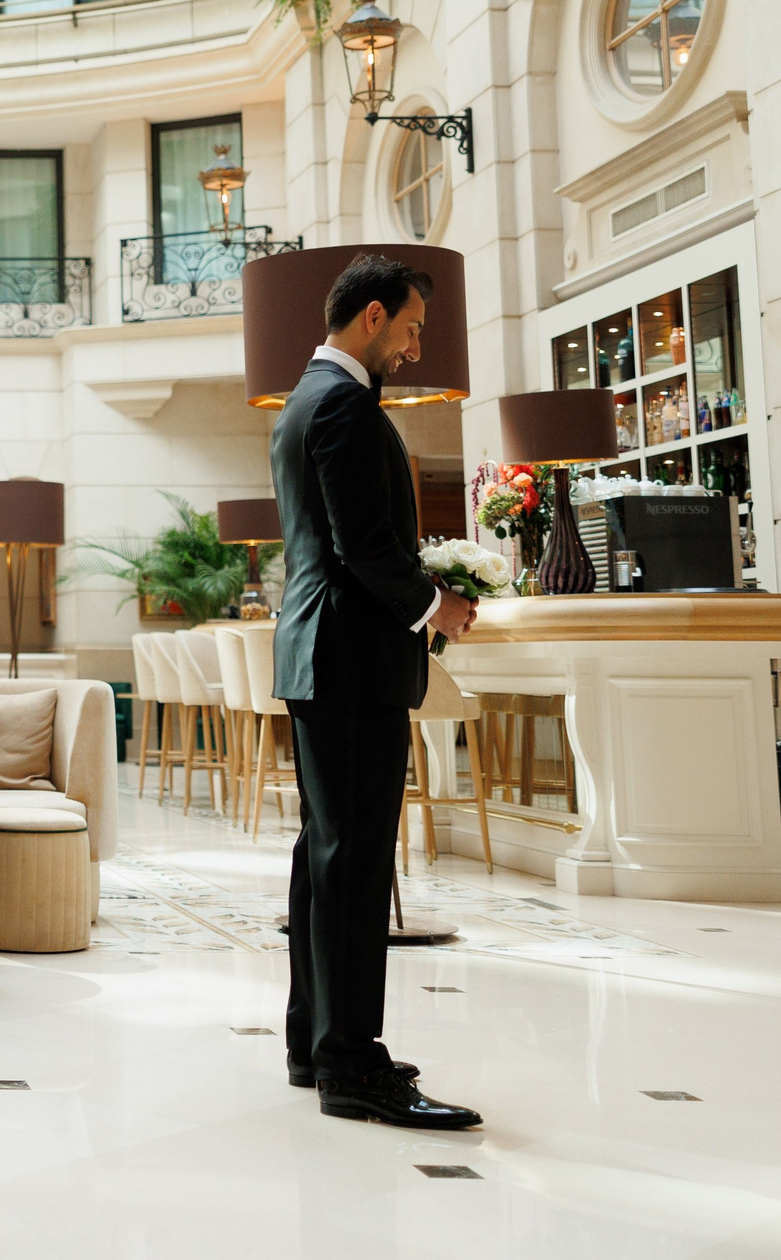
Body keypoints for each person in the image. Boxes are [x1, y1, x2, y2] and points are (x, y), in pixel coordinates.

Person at [270, 255, 481, 1129]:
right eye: (411, 326)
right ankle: (353, 1064)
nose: (416, 346)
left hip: (324, 657)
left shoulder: (305, 399)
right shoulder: (344, 405)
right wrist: (438, 604)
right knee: (354, 863)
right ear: (371, 315)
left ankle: (314, 1042)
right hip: (351, 659)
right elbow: (362, 546)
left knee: (327, 855)